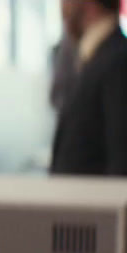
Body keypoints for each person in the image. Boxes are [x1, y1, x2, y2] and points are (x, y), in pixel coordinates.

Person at [50, 0, 127, 175]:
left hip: (97, 201)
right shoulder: (96, 57)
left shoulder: (118, 61)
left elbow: (121, 167)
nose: (62, 6)